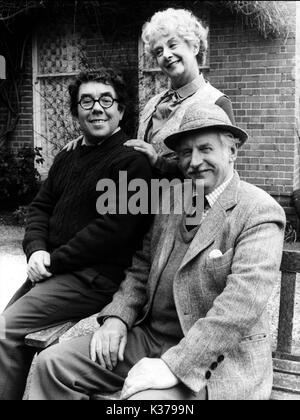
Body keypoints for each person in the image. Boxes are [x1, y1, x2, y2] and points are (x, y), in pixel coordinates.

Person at [27, 103, 286, 400]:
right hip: (152, 338)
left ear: (232, 152)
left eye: (206, 149)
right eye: (186, 152)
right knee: (53, 364)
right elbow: (141, 266)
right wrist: (117, 318)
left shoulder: (259, 211)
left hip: (217, 360)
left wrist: (175, 366)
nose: (194, 161)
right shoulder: (171, 198)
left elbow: (240, 306)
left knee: (140, 404)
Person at [0, 68, 153, 400]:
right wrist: (36, 250)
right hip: (58, 270)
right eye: (87, 101)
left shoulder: (131, 161)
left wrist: (52, 261)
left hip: (92, 277)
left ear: (121, 110)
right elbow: (40, 208)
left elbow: (113, 231)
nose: (96, 108)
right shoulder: (67, 156)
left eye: (106, 100)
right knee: (9, 329)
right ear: (75, 112)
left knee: (4, 331)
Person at [64, 8, 235, 179]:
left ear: (195, 46)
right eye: (158, 51)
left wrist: (159, 162)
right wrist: (89, 141)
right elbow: (131, 146)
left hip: (190, 201)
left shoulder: (216, 101)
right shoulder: (153, 103)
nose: (166, 55)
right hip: (144, 199)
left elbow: (222, 170)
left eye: (173, 45)